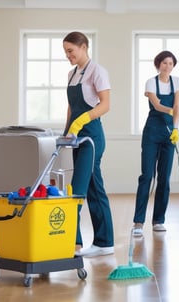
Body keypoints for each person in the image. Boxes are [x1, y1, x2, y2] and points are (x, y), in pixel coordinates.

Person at [62, 31, 114, 257]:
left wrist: (82, 120)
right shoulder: (72, 74)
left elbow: (105, 105)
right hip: (77, 138)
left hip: (91, 138)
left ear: (83, 47)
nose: (68, 55)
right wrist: (66, 132)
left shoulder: (98, 71)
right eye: (66, 52)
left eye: (70, 50)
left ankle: (73, 244)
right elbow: (72, 108)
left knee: (78, 189)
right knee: (94, 188)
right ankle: (104, 243)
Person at [132, 50, 179, 237]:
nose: (167, 66)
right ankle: (138, 222)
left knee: (164, 178)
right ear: (158, 64)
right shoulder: (150, 82)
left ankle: (158, 220)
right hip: (152, 132)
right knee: (146, 176)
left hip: (169, 133)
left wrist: (176, 128)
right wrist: (170, 111)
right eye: (164, 63)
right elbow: (157, 105)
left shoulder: (177, 82)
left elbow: (178, 106)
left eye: (170, 63)